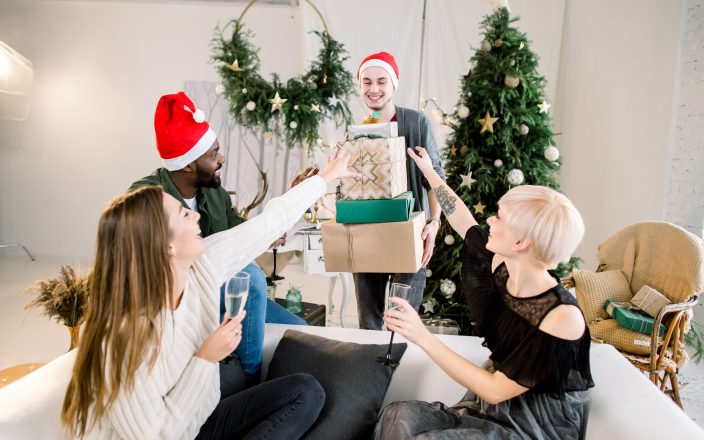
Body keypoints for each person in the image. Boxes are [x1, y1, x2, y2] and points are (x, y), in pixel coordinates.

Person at [61, 139, 356, 438]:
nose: (197, 215)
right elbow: (156, 436)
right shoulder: (125, 336)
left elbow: (266, 225)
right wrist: (205, 358)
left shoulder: (201, 269)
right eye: (184, 215)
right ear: (168, 247)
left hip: (198, 420)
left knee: (304, 391)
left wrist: (325, 178)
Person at [373, 147, 593, 439]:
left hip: (536, 421)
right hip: (491, 402)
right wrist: (428, 171)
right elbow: (461, 218)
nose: (490, 221)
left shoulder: (563, 316)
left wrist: (422, 335)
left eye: (500, 217)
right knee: (397, 414)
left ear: (520, 243)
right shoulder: (503, 263)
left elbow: (496, 389)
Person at [128, 91, 308, 386]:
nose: (221, 159)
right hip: (183, 301)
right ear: (187, 164)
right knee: (248, 277)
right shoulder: (147, 199)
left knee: (299, 330)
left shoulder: (212, 190)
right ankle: (247, 382)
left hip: (220, 292)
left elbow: (240, 231)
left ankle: (281, 388)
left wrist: (281, 218)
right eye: (213, 154)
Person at [353, 51, 445, 330]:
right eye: (367, 82)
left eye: (381, 81)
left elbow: (435, 178)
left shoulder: (416, 122)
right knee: (368, 323)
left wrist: (434, 223)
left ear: (394, 85)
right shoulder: (358, 131)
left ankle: (396, 373)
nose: (374, 89)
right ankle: (369, 373)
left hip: (410, 233)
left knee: (402, 323)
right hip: (369, 233)